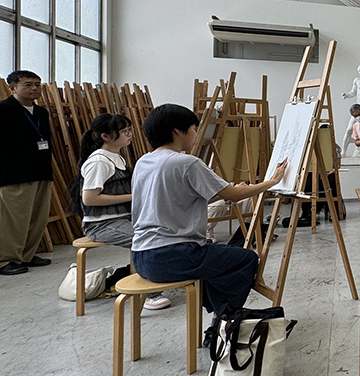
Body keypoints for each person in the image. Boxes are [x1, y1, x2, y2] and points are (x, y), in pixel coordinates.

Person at [130, 104, 286, 317]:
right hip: (173, 254)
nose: (196, 135)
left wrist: (226, 192)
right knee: (246, 259)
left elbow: (185, 196)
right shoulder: (186, 162)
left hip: (140, 256)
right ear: (177, 131)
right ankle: (229, 315)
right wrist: (272, 182)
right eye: (193, 129)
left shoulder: (144, 162)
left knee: (218, 260)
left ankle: (222, 313)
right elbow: (234, 195)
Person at [77, 113, 169, 310]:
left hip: (123, 219)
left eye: (130, 130)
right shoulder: (99, 161)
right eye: (124, 131)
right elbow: (89, 198)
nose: (129, 134)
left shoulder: (116, 157)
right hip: (101, 224)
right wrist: (132, 197)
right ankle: (150, 294)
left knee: (161, 232)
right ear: (105, 136)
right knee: (144, 240)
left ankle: (151, 279)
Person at [0, 70, 53, 275]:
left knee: (35, 219)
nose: (34, 88)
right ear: (12, 87)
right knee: (9, 221)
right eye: (28, 84)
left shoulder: (41, 113)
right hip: (10, 175)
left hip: (39, 172)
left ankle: (25, 255)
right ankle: (2, 260)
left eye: (38, 84)